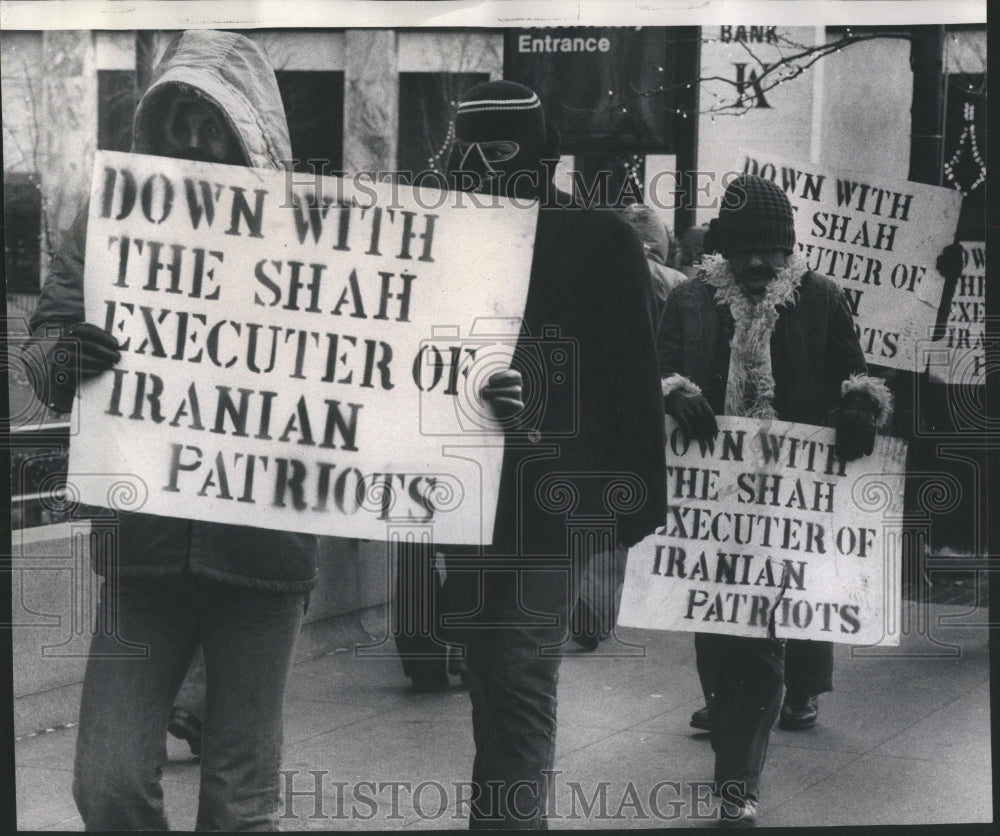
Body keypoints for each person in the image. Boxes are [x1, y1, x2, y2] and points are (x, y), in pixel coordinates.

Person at [22, 31, 519, 830]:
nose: (192, 139)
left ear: (251, 127)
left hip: (263, 561)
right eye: (175, 116)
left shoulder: (316, 234)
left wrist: (478, 399)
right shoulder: (111, 223)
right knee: (106, 783)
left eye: (211, 118)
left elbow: (391, 363)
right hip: (144, 556)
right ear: (152, 124)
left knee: (239, 798)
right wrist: (62, 358)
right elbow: (44, 358)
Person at [439, 80, 667, 828]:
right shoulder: (442, 239)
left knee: (520, 676)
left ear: (541, 157)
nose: (482, 174)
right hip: (463, 504)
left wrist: (544, 422)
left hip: (550, 504)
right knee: (490, 679)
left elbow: (628, 383)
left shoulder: (602, 240)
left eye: (499, 154)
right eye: (465, 157)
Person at [657, 174, 894, 826]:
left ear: (790, 249)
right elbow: (653, 367)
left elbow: (860, 375)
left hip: (789, 506)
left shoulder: (822, 300)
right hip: (710, 505)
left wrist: (858, 410)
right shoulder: (691, 302)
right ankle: (736, 715)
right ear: (724, 248)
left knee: (761, 640)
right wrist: (672, 390)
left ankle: (738, 778)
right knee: (715, 634)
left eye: (772, 250)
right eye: (746, 250)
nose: (759, 264)